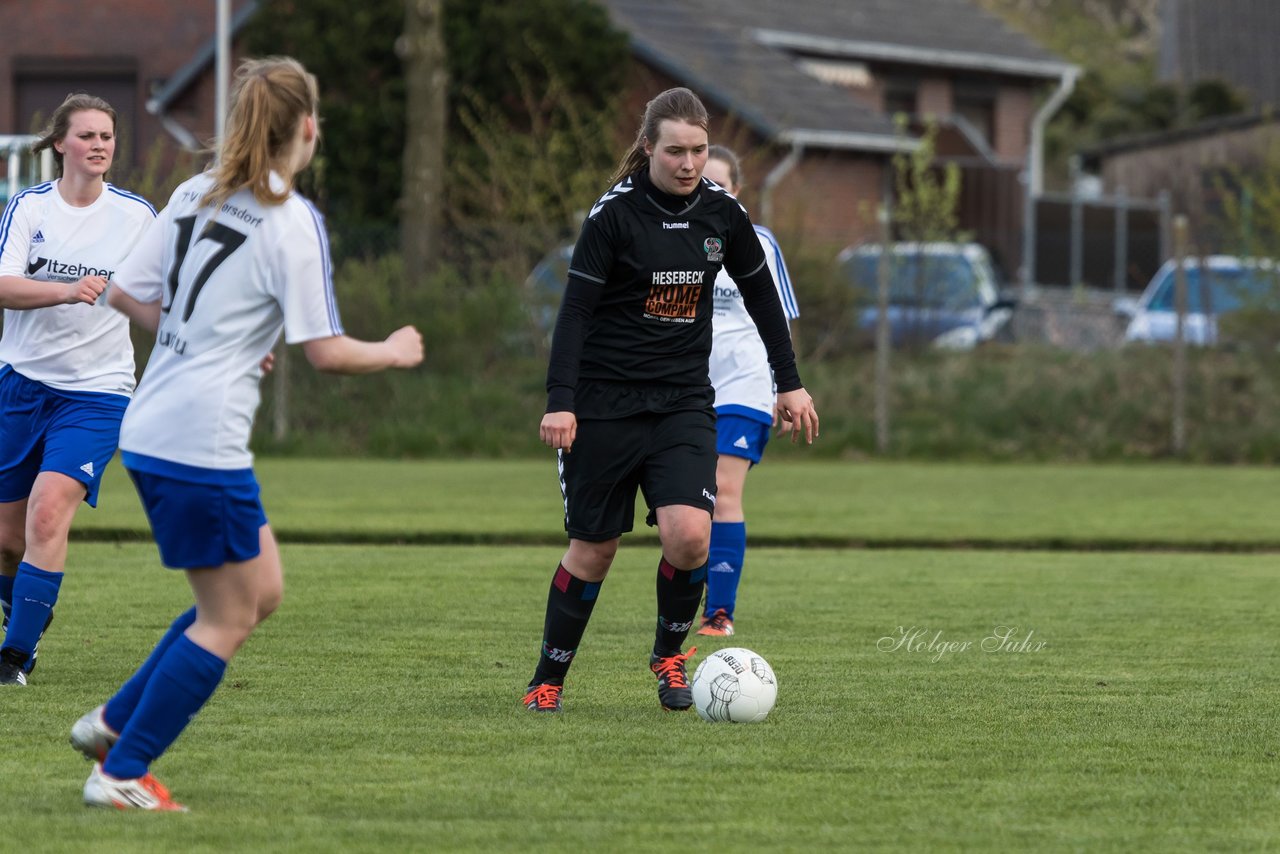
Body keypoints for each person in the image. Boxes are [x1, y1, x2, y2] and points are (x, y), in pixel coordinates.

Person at [68, 56, 424, 811]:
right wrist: (392, 349)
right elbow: (326, 352)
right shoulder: (290, 220)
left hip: (158, 426)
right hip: (200, 441)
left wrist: (200, 336)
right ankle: (122, 770)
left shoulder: (195, 192)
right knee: (228, 615)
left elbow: (128, 294)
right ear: (306, 127)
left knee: (259, 591)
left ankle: (112, 724)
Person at [523, 87, 818, 714]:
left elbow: (765, 299)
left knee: (690, 537)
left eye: (698, 150)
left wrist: (788, 383)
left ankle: (670, 658)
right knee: (594, 550)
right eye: (675, 152)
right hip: (603, 404)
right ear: (648, 149)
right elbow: (574, 314)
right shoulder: (614, 217)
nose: (688, 164)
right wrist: (561, 399)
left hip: (683, 403)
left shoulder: (722, 215)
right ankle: (548, 678)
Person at [0, 94, 156, 686]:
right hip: (20, 384)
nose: (99, 144)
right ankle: (24, 614)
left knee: (47, 513)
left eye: (108, 136)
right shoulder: (29, 208)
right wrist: (65, 290)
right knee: (7, 541)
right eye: (87, 135)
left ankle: (13, 657)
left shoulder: (138, 216)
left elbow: (159, 297)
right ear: (60, 143)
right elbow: (2, 285)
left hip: (97, 393)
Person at [696, 145, 800, 638]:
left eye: (720, 185)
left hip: (745, 384)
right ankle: (682, 601)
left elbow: (780, 322)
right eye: (703, 184)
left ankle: (719, 612)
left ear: (736, 192)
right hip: (685, 389)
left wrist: (787, 386)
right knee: (684, 505)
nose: (711, 191)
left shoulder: (758, 242)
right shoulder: (674, 240)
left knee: (723, 490)